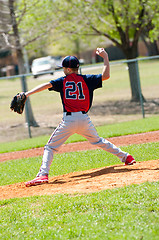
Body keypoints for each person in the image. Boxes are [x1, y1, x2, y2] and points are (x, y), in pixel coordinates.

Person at [25, 48, 136, 187]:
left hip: (69, 120)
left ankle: (42, 175)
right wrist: (105, 57)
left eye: (64, 68)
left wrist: (26, 94)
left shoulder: (63, 81)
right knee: (98, 141)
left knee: (50, 147)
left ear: (68, 69)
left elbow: (46, 85)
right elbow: (106, 75)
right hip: (84, 119)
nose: (63, 70)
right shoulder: (87, 79)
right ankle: (126, 157)